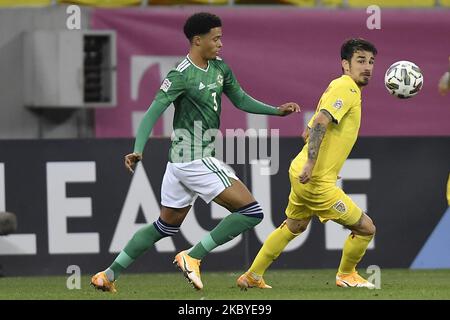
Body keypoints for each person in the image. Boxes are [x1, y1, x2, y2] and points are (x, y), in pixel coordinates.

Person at [90, 12, 300, 292]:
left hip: (179, 164)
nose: (221, 44)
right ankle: (193, 256)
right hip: (194, 157)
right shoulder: (181, 74)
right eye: (216, 39)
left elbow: (239, 99)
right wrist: (138, 149)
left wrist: (275, 111)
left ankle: (107, 275)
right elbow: (153, 112)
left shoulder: (220, 68)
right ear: (197, 40)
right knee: (251, 211)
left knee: (164, 226)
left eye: (221, 38)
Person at [237, 38, 378, 290]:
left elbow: (310, 129)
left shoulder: (339, 87)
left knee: (295, 224)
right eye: (360, 61)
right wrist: (312, 164)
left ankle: (252, 275)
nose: (367, 67)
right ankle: (347, 274)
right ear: (345, 65)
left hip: (302, 171)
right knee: (366, 228)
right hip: (315, 179)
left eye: (371, 62)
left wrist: (310, 161)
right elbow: (322, 122)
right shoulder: (347, 87)